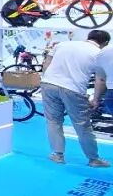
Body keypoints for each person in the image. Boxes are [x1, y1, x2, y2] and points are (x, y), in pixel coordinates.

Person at [42, 29, 110, 168]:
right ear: (105, 42)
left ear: (89, 37)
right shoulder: (99, 54)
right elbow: (101, 80)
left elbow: (46, 64)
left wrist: (47, 79)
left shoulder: (63, 44)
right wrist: (96, 99)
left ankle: (57, 155)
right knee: (82, 125)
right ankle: (93, 159)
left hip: (48, 84)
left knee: (53, 121)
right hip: (73, 89)